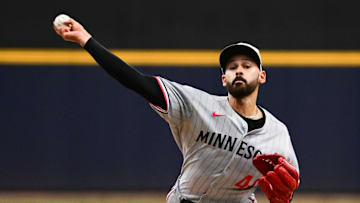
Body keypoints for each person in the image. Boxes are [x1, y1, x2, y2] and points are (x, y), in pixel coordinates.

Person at [53, 16, 300, 203]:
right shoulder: (196, 104)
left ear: (262, 76)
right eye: (232, 66)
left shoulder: (278, 133)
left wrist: (285, 198)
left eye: (247, 65)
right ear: (223, 79)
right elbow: (136, 80)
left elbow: (286, 186)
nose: (238, 70)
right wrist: (86, 39)